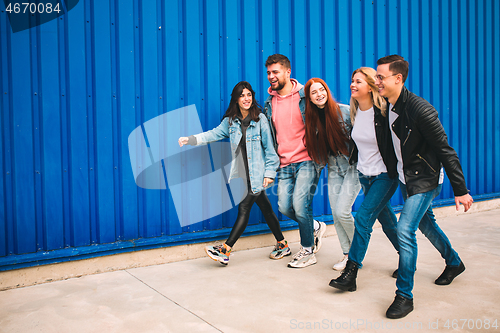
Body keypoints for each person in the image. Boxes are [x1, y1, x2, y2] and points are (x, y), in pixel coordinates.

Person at [375, 55, 473, 319]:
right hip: (407, 177)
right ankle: (454, 262)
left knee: (405, 228)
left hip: (425, 179)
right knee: (426, 224)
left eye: (381, 77)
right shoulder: (387, 105)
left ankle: (404, 296)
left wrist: (460, 190)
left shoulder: (421, 109)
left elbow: (446, 151)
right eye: (376, 76)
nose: (377, 81)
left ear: (398, 78)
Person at [178, 81, 291, 265]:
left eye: (249, 95)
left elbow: (270, 150)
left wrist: (269, 173)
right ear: (236, 99)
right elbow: (212, 134)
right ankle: (282, 244)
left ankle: (225, 250)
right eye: (242, 95)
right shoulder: (231, 121)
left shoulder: (260, 119)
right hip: (243, 176)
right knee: (266, 209)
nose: (246, 98)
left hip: (258, 175)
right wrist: (191, 139)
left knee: (244, 208)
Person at [328, 67, 400, 291]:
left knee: (363, 218)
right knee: (387, 220)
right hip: (365, 175)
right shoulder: (355, 112)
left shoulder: (386, 112)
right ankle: (447, 260)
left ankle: (351, 272)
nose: (352, 84)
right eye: (352, 81)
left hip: (385, 175)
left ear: (370, 86)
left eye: (358, 81)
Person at [263, 54, 327, 268]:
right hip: (285, 163)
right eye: (269, 73)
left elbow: (326, 111)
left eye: (275, 72)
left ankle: (308, 251)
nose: (271, 76)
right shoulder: (269, 103)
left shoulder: (304, 95)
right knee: (284, 207)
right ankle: (315, 226)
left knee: (301, 205)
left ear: (288, 72)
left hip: (307, 159)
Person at [303, 78, 361, 271]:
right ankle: (348, 255)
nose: (319, 94)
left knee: (343, 211)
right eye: (314, 92)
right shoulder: (312, 120)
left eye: (322, 90)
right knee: (336, 214)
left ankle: (358, 252)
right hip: (334, 168)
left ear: (327, 91)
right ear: (309, 99)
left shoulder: (345, 111)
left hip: (353, 167)